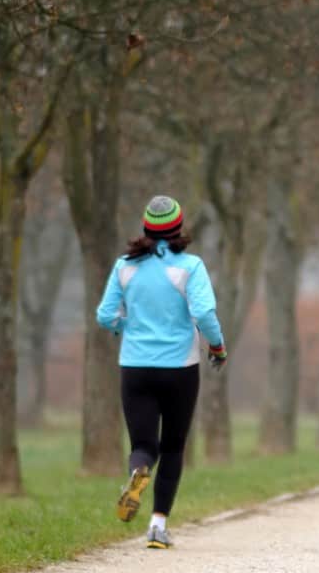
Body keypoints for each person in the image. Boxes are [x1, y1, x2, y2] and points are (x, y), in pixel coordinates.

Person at [96, 195, 227, 549]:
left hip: (135, 367)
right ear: (179, 228)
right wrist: (216, 347)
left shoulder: (124, 266)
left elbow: (105, 316)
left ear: (146, 228)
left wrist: (130, 326)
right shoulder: (191, 267)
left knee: (143, 444)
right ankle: (157, 526)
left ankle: (138, 473)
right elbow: (204, 315)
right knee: (172, 446)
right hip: (179, 370)